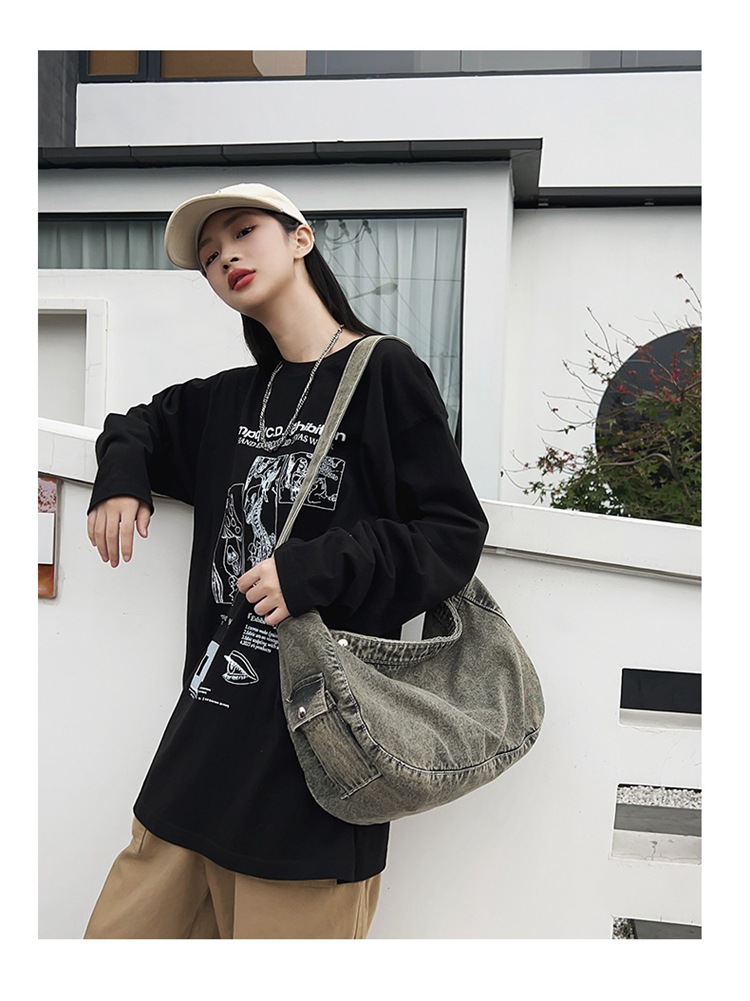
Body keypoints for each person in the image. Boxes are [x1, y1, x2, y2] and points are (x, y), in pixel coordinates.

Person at [83, 182, 489, 939]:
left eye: (243, 232)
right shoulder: (228, 400)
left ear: (301, 238)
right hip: (199, 755)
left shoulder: (384, 373)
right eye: (210, 256)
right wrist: (120, 478)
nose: (226, 257)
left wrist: (313, 570)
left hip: (314, 776)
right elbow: (135, 425)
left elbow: (453, 533)